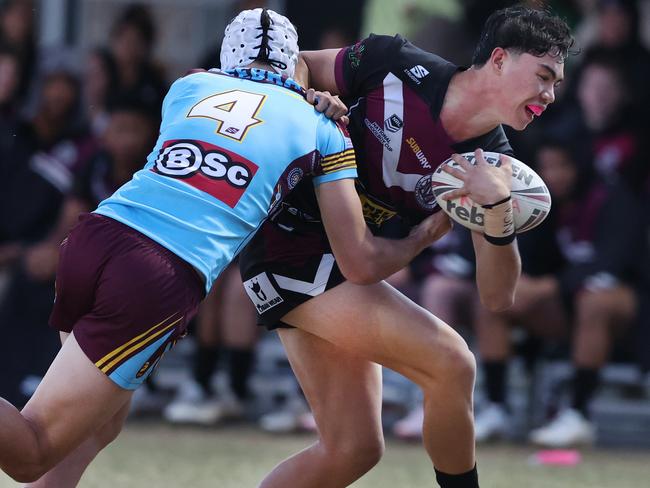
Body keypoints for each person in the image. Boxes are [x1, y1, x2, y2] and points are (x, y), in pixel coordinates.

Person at [0, 9, 449, 486]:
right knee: (32, 450)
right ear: (295, 60)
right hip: (155, 273)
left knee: (97, 426)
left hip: (94, 237)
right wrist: (426, 232)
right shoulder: (324, 129)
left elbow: (224, 95)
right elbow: (359, 259)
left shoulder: (188, 89)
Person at [239, 5, 574, 487]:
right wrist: (306, 97)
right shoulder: (392, 61)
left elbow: (499, 298)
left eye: (557, 83)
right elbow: (303, 62)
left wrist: (499, 213)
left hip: (336, 265)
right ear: (499, 59)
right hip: (289, 246)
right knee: (452, 363)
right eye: (544, 76)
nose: (549, 94)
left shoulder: (493, 164)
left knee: (352, 450)